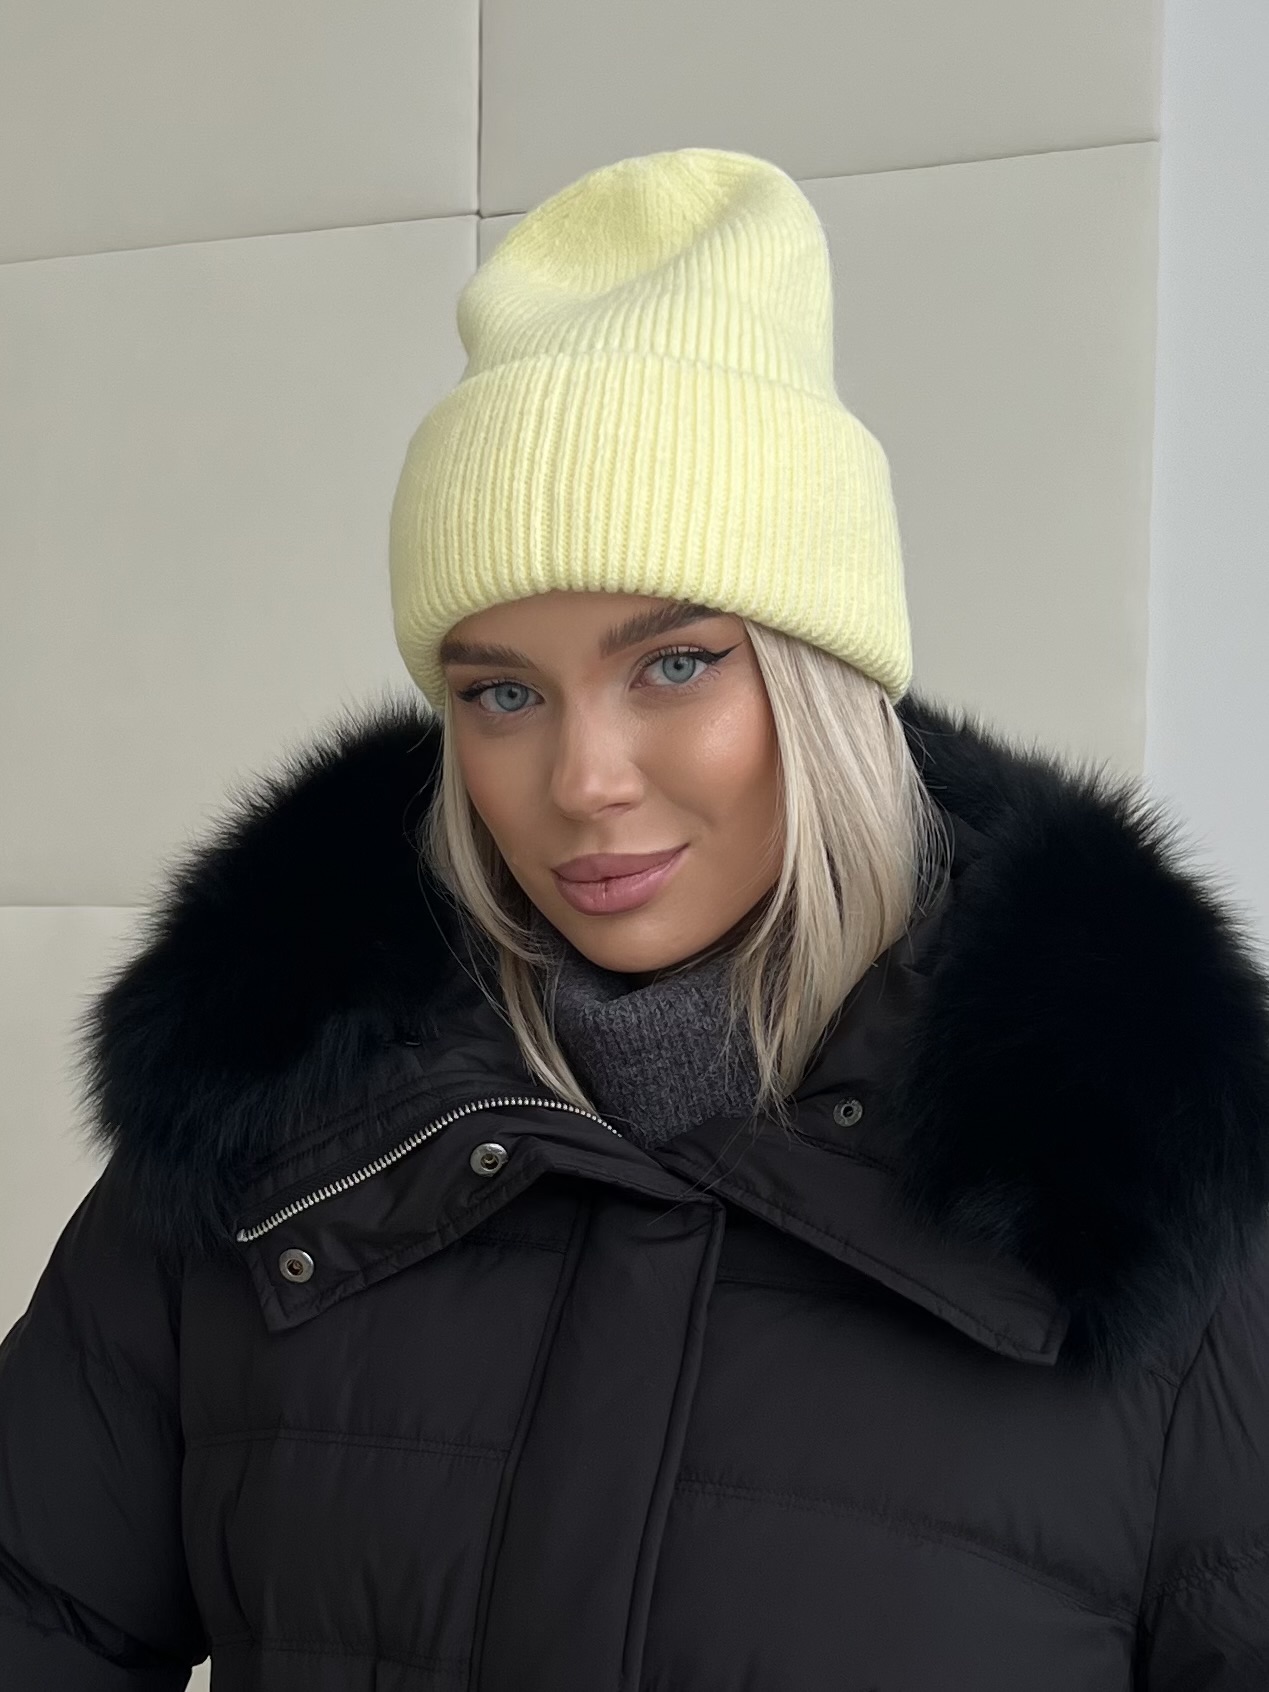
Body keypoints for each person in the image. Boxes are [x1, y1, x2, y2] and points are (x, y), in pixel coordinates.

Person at [2, 146, 1268, 1692]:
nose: (581, 780)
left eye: (674, 665)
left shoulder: (1152, 1191)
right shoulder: (266, 1138)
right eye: (500, 694)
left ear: (821, 678)